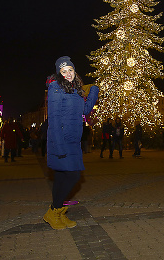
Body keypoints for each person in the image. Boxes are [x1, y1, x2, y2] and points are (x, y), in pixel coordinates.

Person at [43, 56, 99, 230]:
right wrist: (58, 147)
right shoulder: (55, 88)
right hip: (61, 141)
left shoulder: (75, 90)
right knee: (73, 175)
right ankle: (54, 211)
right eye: (64, 71)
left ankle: (57, 213)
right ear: (59, 73)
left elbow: (85, 109)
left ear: (75, 71)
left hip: (74, 140)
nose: (68, 74)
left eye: (71, 70)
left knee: (61, 177)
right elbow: (53, 119)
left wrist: (94, 91)